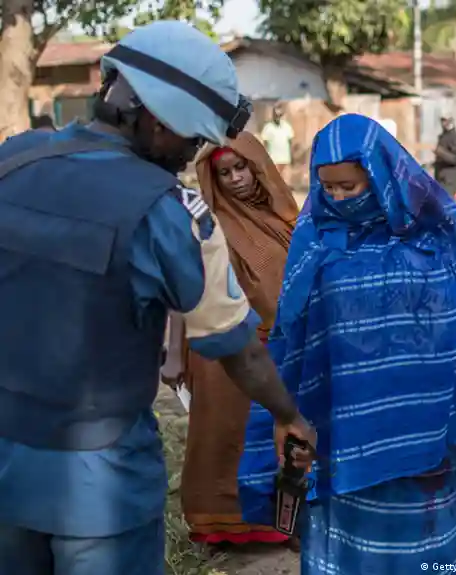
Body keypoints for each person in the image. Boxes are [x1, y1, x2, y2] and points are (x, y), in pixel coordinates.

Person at [0, 21, 314, 575]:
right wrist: (288, 415)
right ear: (160, 122)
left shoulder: (13, 162)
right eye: (194, 140)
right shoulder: (174, 215)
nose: (192, 156)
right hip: (99, 486)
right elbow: (236, 349)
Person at [238, 114, 456, 574]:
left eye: (349, 187)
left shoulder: (442, 230)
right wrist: (281, 415)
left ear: (381, 175)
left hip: (433, 430)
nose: (338, 198)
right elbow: (291, 337)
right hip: (344, 434)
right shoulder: (314, 239)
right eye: (328, 188)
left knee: (421, 549)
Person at [174, 132, 300, 546]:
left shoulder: (286, 217)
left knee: (281, 436)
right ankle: (227, 523)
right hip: (229, 349)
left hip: (283, 346)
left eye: (241, 167)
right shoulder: (209, 227)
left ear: (258, 166)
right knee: (229, 434)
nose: (235, 179)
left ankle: (279, 520)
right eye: (224, 173)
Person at [261, 104, 294, 178]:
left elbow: (290, 142)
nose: (278, 117)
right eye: (276, 115)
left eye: (280, 115)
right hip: (273, 158)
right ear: (273, 115)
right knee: (275, 178)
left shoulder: (287, 126)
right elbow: (265, 143)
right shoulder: (268, 127)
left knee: (285, 178)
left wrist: (292, 156)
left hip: (285, 158)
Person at [434, 114, 456, 195]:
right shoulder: (442, 136)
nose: (443, 123)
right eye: (442, 120)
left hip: (450, 179)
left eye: (445, 120)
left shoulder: (455, 136)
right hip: (440, 176)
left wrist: (441, 153)